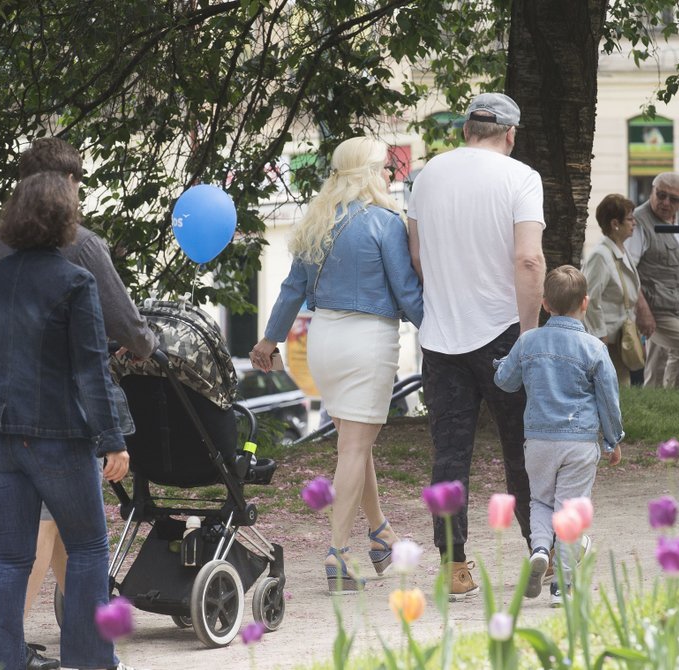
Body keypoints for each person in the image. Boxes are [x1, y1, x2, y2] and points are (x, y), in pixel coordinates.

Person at [0, 137, 157, 670]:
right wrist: (112, 439)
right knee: (88, 550)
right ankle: (90, 661)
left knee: (8, 556)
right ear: (65, 211)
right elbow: (90, 370)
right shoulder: (77, 274)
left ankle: (0, 662)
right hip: (57, 435)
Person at [251, 136, 423, 595]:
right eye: (385, 167)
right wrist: (439, 334)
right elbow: (406, 292)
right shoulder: (386, 222)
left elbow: (291, 289)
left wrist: (270, 338)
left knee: (353, 441)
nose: (390, 174)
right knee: (352, 447)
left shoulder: (318, 221)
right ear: (368, 172)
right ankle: (339, 553)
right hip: (368, 339)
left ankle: (380, 532)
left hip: (323, 336)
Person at [407, 92, 546, 600]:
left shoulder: (426, 176)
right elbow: (529, 260)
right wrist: (529, 333)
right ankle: (541, 547)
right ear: (510, 135)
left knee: (449, 453)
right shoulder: (521, 178)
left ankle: (453, 564)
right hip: (504, 328)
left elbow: (417, 255)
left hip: (441, 336)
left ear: (466, 129)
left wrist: (446, 294)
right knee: (523, 447)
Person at [493, 266, 623, 606]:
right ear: (585, 302)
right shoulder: (593, 348)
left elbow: (505, 382)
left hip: (537, 440)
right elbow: (608, 400)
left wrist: (502, 362)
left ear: (545, 304)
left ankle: (539, 548)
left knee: (540, 501)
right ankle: (561, 587)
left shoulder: (528, 341)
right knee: (570, 511)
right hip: (578, 441)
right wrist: (612, 439)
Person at [624, 173, 679, 388]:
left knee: (658, 360)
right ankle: (677, 398)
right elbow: (628, 272)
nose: (665, 203)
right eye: (661, 195)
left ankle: (654, 404)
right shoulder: (638, 222)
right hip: (654, 307)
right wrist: (643, 311)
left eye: (673, 199)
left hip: (675, 304)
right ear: (652, 191)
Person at [582, 194, 641, 382]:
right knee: (614, 387)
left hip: (620, 333)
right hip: (608, 339)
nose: (635, 223)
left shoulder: (619, 249)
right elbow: (589, 297)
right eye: (630, 219)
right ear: (615, 223)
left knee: (621, 386)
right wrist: (600, 335)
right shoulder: (601, 255)